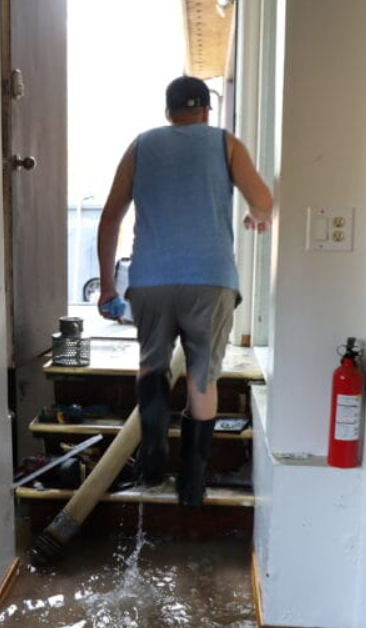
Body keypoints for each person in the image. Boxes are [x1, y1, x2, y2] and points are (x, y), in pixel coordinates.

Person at [96, 75, 273, 507]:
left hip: (151, 278)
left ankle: (153, 448)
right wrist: (255, 217)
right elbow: (263, 201)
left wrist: (105, 286)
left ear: (168, 112)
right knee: (201, 375)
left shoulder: (141, 146)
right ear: (205, 111)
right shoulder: (224, 143)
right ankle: (192, 479)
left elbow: (109, 219)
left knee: (152, 365)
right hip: (210, 277)